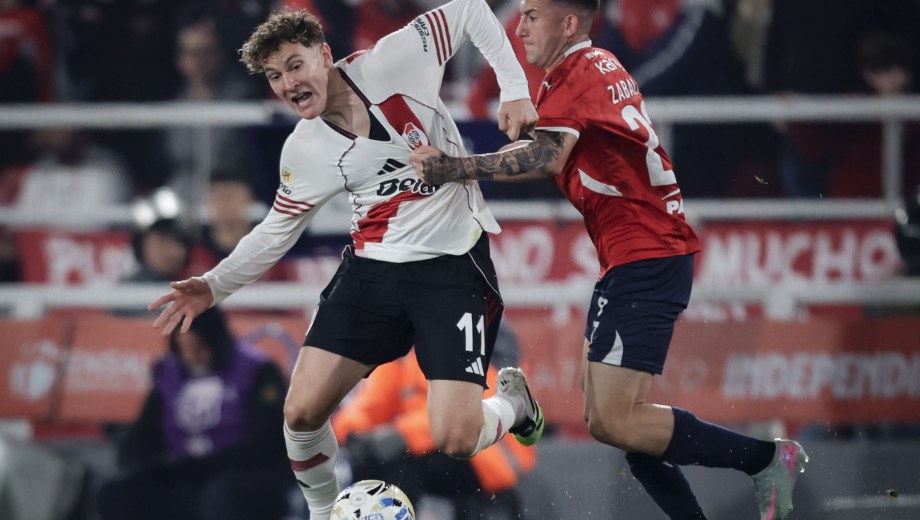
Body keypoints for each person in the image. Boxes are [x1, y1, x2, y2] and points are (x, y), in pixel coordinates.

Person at [410, 1, 808, 519]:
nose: (520, 27)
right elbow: (553, 144)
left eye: (532, 15)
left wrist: (452, 168)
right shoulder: (598, 64)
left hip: (645, 255)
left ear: (569, 23)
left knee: (618, 420)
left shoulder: (575, 75)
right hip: (634, 256)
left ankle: (766, 459)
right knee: (608, 417)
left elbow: (544, 157)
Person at [148, 3, 545, 519]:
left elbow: (470, 10)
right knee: (300, 412)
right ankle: (323, 513)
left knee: (455, 438)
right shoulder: (304, 150)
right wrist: (213, 285)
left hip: (451, 266)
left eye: (295, 65)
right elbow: (275, 231)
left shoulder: (395, 60)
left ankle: (514, 405)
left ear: (325, 55)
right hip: (372, 270)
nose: (288, 84)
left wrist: (514, 88)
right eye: (274, 76)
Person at [96, 306, 291, 520]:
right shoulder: (167, 374)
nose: (192, 355)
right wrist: (140, 456)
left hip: (245, 476)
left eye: (198, 346)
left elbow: (267, 442)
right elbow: (146, 432)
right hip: (185, 473)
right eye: (184, 347)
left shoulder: (258, 371)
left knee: (220, 495)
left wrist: (206, 465)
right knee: (118, 494)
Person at [334, 321, 535, 520]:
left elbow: (468, 412)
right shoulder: (407, 344)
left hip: (486, 453)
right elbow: (372, 402)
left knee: (401, 467)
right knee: (372, 463)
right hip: (427, 446)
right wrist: (353, 433)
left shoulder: (478, 333)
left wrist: (402, 436)